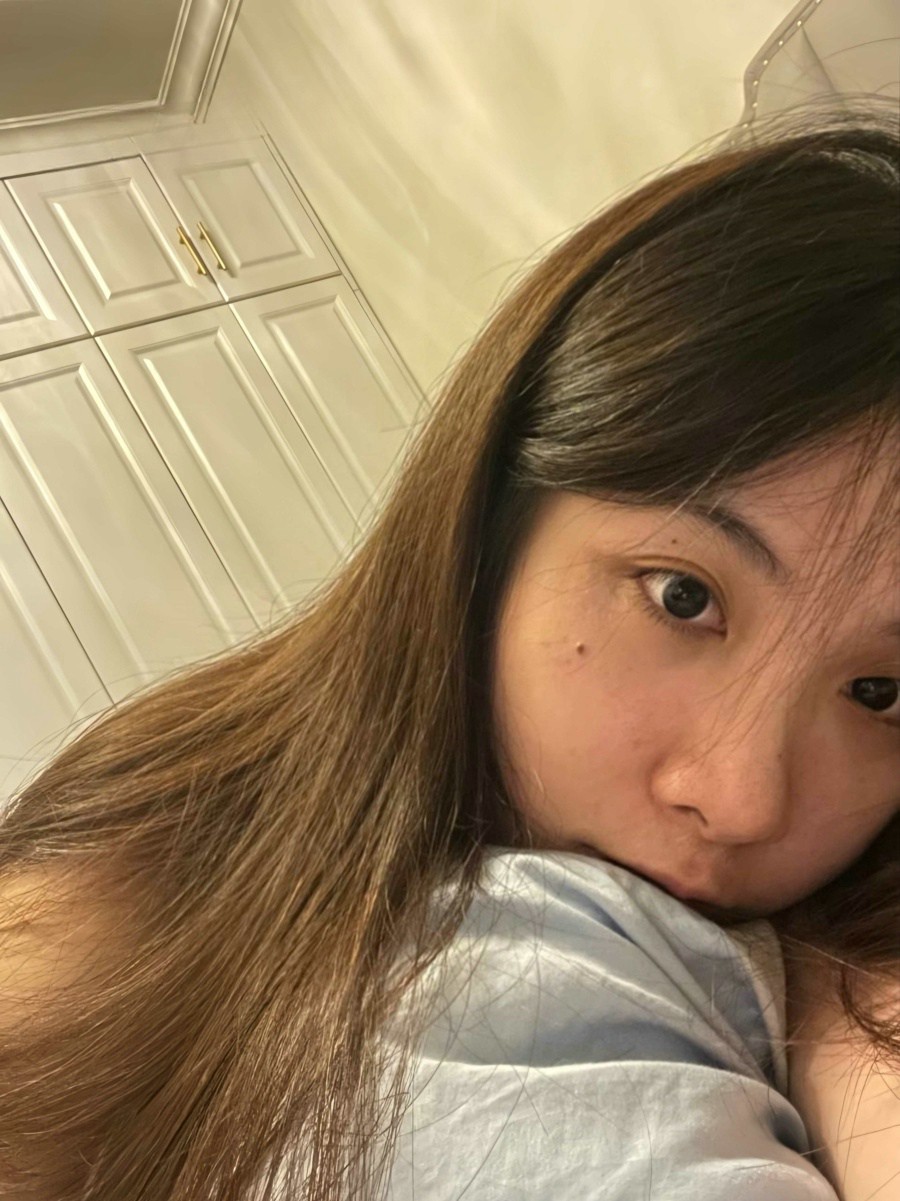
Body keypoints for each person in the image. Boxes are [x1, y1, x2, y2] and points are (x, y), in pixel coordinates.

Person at [0, 98, 897, 1201]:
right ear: (490, 524)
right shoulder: (137, 878)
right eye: (682, 596)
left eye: (878, 689)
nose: (742, 799)